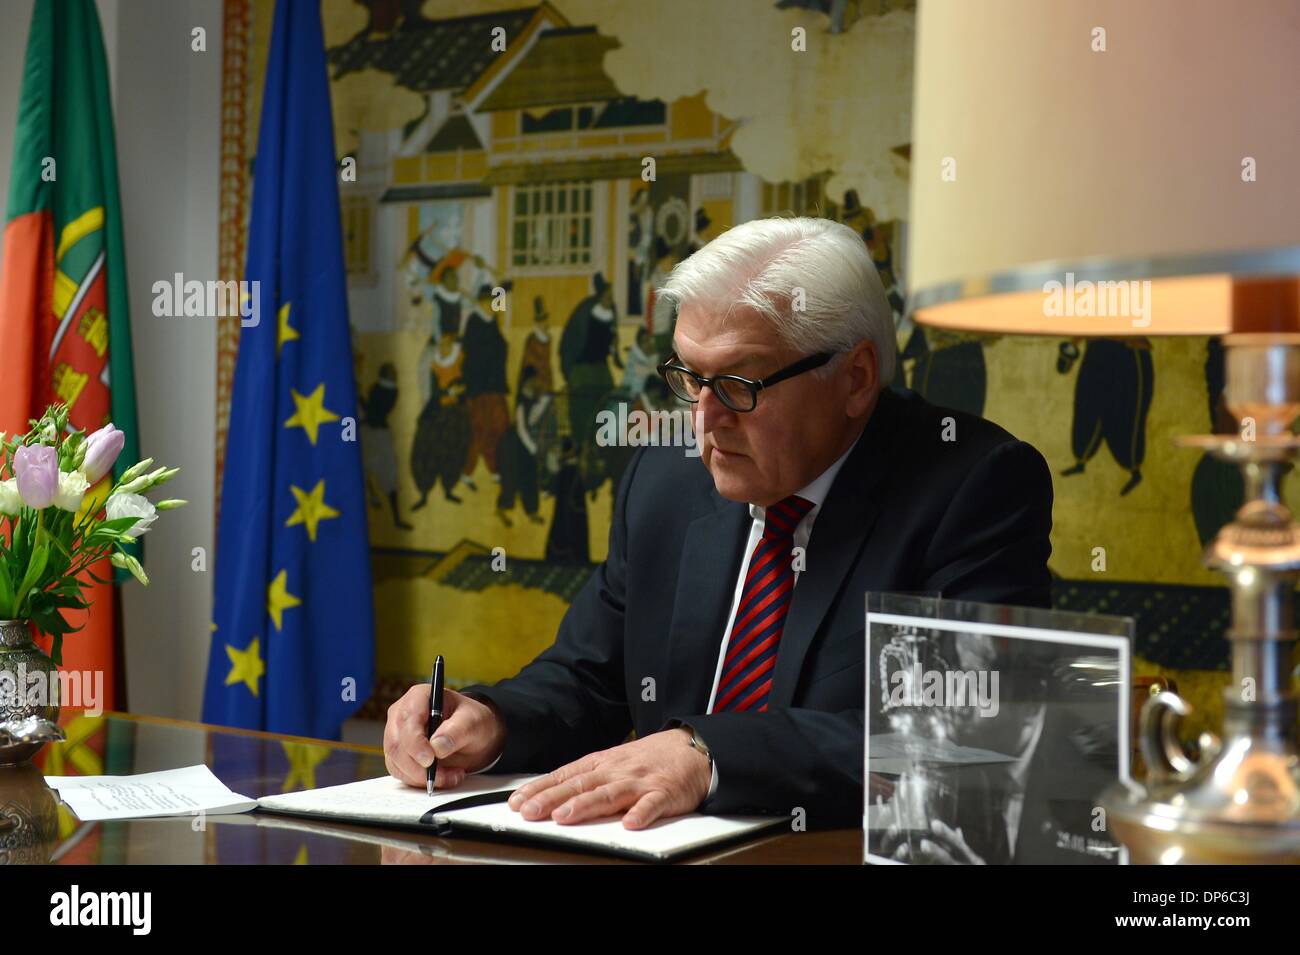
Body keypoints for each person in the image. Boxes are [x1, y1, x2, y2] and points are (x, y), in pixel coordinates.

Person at [384, 216, 1054, 831]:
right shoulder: (666, 482)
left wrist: (708, 755)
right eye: (688, 377)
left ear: (854, 379)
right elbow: (590, 678)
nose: (704, 420)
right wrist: (489, 720)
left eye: (738, 383)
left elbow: (965, 737)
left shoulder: (975, 488)